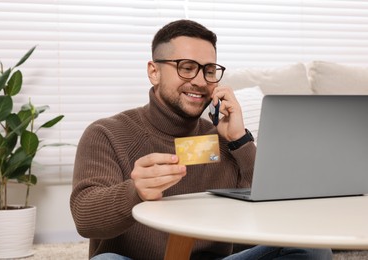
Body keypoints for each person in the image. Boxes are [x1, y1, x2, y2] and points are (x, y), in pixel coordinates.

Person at [70, 19, 332, 260]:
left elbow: (276, 210)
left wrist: (239, 141)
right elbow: (85, 217)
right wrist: (135, 192)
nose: (199, 81)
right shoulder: (106, 133)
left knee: (312, 247)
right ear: (154, 72)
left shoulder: (223, 139)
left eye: (209, 71)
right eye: (186, 68)